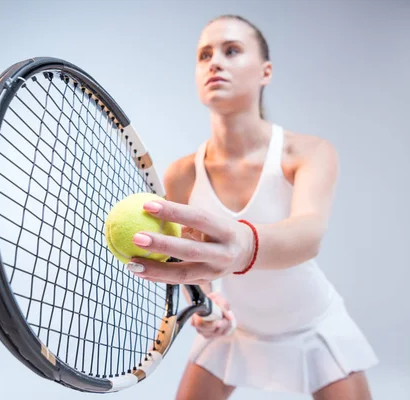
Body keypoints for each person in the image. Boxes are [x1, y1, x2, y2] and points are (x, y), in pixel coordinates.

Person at [125, 14, 379, 400]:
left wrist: (243, 245)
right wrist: (208, 297)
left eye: (232, 51)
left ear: (265, 72)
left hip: (315, 325)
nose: (215, 62)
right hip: (236, 331)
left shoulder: (308, 152)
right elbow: (191, 264)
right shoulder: (180, 174)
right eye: (204, 54)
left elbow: (309, 233)